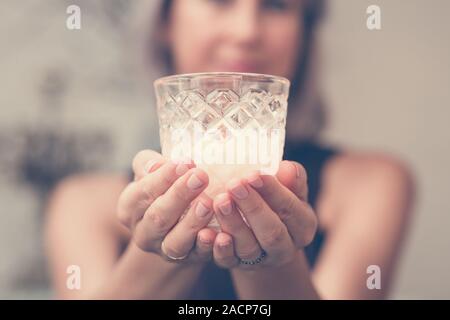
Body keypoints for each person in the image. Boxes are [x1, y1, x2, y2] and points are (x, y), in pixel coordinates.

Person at [44, 0, 415, 299]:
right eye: (220, 0)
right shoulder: (81, 202)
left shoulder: (373, 183)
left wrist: (274, 261)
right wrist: (159, 248)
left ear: (304, 32)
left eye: (275, 6)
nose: (247, 31)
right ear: (164, 21)